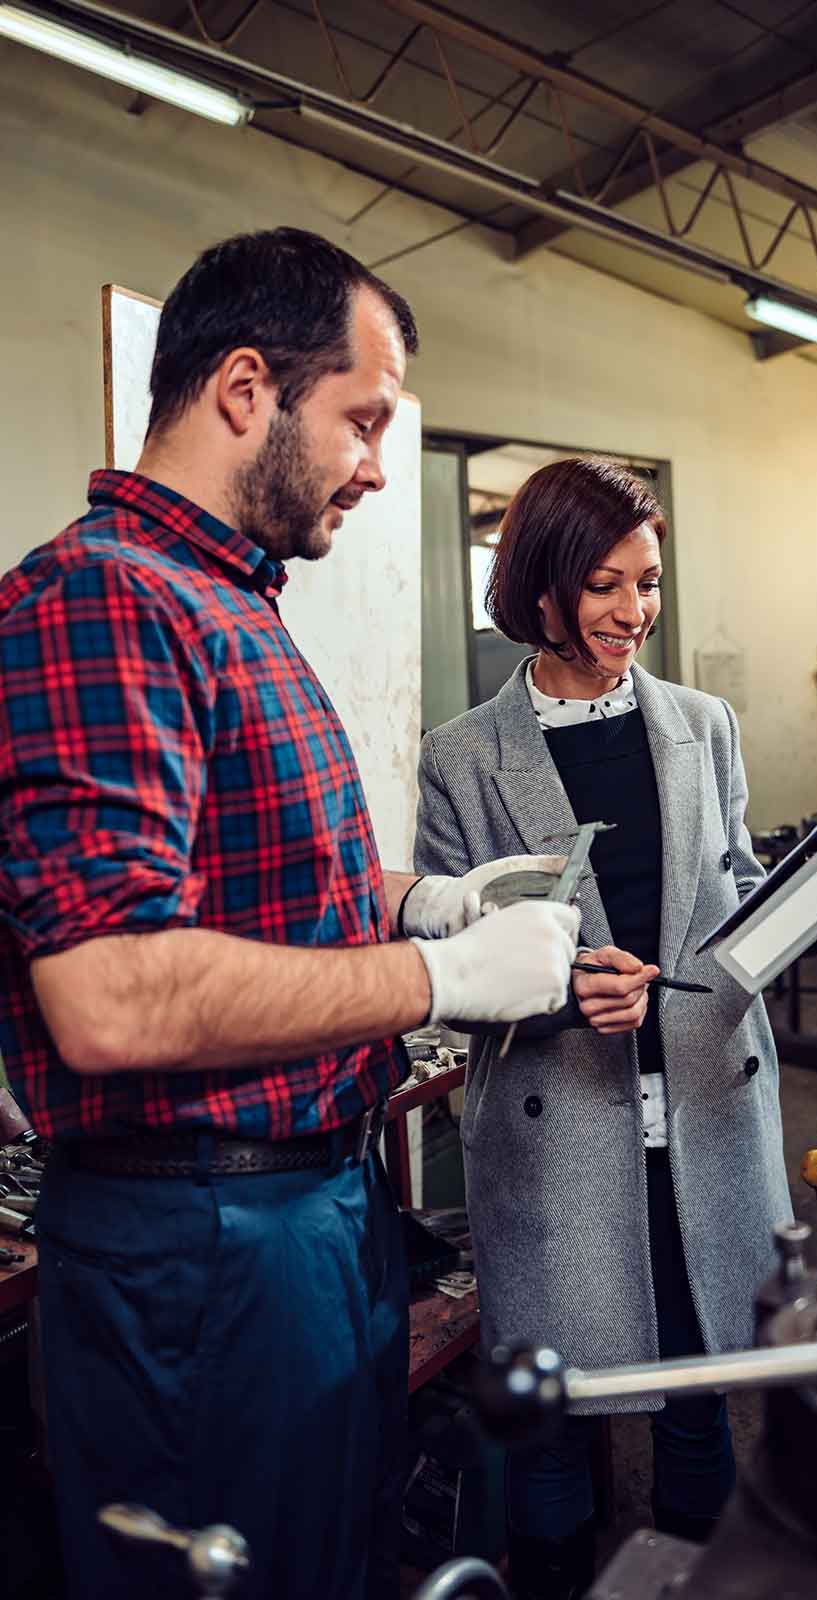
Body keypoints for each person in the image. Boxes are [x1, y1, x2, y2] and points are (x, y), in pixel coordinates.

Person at [0, 229, 581, 1600]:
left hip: (308, 1214)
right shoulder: (103, 597)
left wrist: (421, 901)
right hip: (199, 1238)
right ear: (246, 388)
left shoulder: (231, 602)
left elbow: (265, 882)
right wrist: (441, 977)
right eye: (363, 419)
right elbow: (113, 994)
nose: (377, 465)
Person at [414, 457, 793, 1599]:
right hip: (559, 1134)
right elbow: (451, 959)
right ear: (541, 588)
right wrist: (562, 984)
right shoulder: (462, 756)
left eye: (650, 581)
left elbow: (740, 892)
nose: (636, 611)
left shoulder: (704, 726)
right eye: (605, 585)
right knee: (553, 1418)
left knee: (698, 1394)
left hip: (705, 1113)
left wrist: (764, 927)